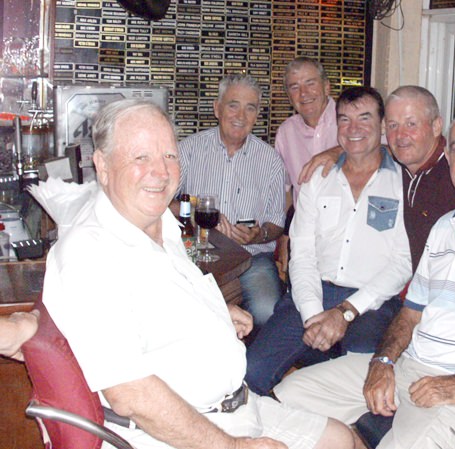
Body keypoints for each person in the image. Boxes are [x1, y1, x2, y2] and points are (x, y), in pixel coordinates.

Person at [42, 99, 354, 449]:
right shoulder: (89, 253)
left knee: (341, 439)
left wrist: (215, 314)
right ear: (102, 165)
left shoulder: (162, 223)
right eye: (141, 157)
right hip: (178, 431)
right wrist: (233, 447)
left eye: (169, 156)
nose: (161, 171)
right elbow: (132, 394)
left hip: (235, 406)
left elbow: (154, 306)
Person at [274, 108, 455, 449]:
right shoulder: (445, 227)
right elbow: (410, 314)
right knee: (289, 399)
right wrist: (383, 361)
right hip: (410, 368)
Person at [245, 87, 411, 397]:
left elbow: (402, 264)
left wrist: (345, 312)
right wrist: (312, 315)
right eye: (344, 120)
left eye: (365, 118)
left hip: (371, 302)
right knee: (252, 372)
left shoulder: (403, 182)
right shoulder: (318, 178)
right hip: (314, 293)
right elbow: (302, 255)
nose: (353, 128)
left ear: (382, 125)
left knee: (357, 382)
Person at [299, 85, 455, 270]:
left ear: (436, 126)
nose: (400, 135)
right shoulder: (405, 169)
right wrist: (341, 150)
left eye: (411, 124)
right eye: (393, 125)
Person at [178, 74, 285, 329]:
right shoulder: (188, 150)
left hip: (251, 256)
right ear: (217, 108)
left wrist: (259, 235)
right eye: (233, 105)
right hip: (194, 253)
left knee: (267, 310)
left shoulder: (271, 161)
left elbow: (277, 223)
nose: (241, 116)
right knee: (178, 308)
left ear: (257, 115)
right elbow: (161, 204)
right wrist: (193, 210)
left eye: (250, 108)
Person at [274, 57, 339, 278]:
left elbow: (387, 150)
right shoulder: (286, 132)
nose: (303, 93)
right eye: (295, 87)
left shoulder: (351, 119)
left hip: (348, 236)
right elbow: (286, 194)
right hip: (305, 239)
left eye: (310, 83)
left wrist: (339, 151)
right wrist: (284, 237)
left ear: (327, 87)